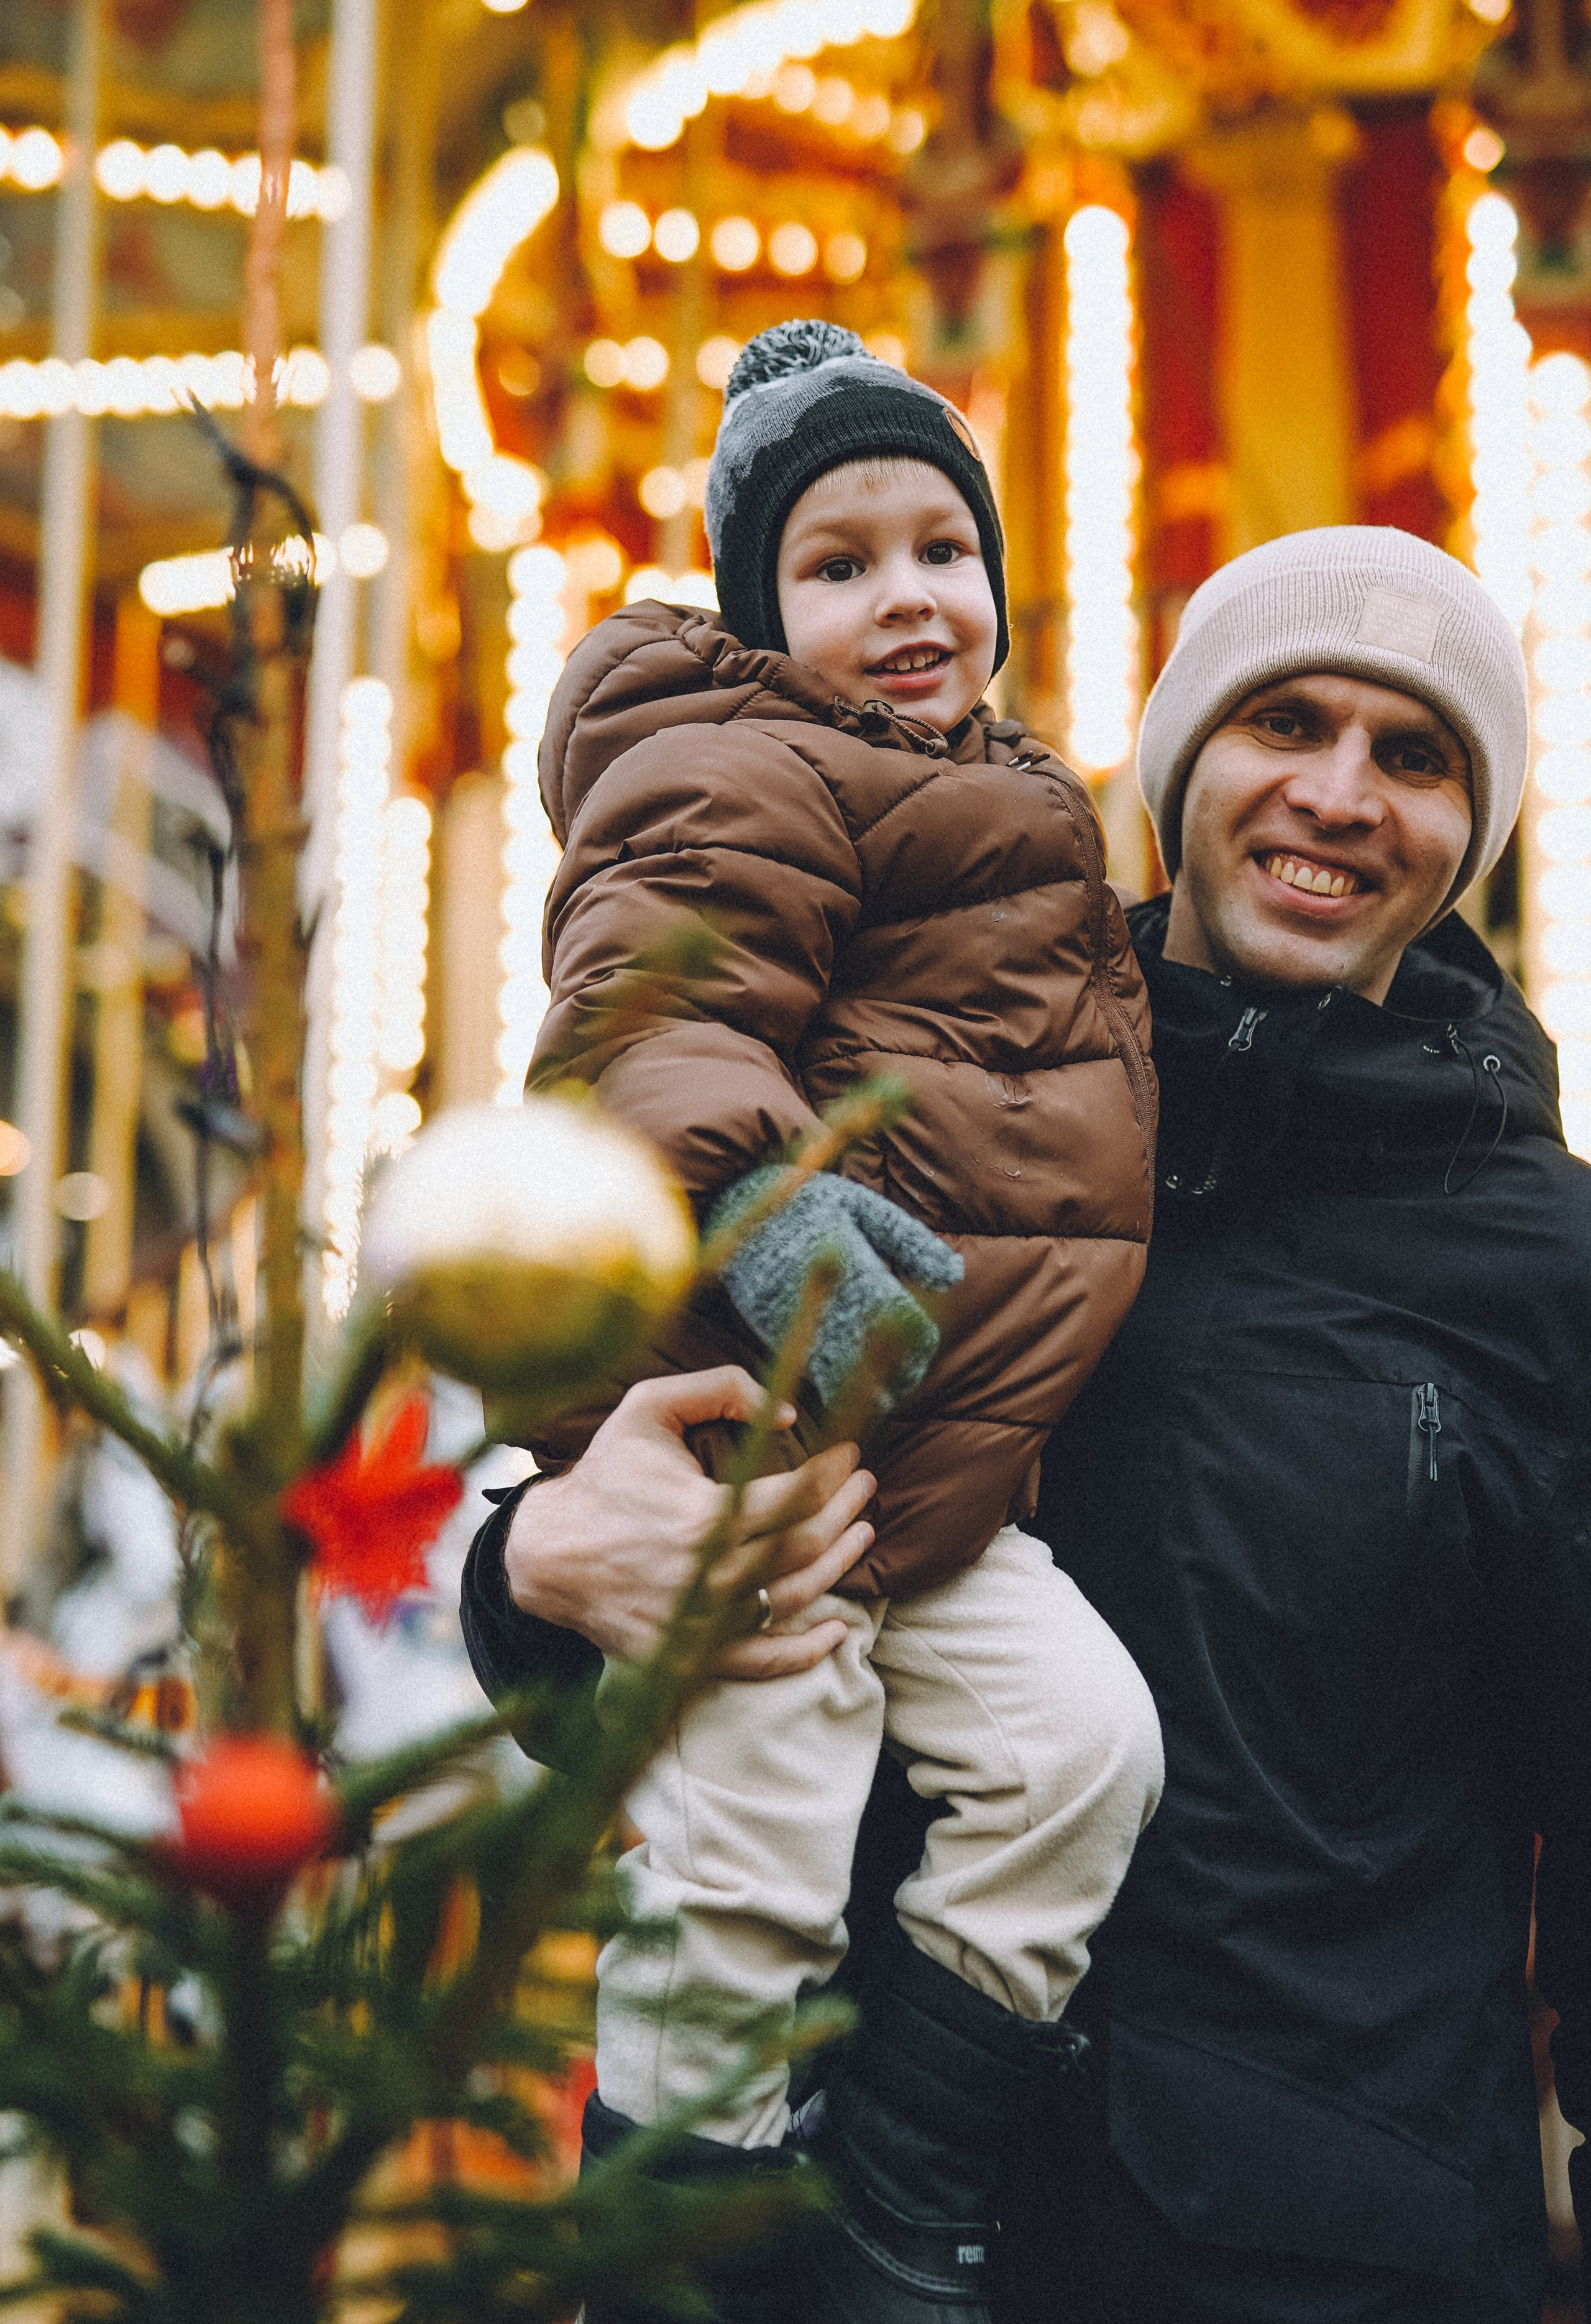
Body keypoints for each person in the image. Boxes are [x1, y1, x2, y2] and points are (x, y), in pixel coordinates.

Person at [467, 521, 1591, 2323]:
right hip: (835, 2225)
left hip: (1307, 2245)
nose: (1338, 793)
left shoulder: (1539, 1265)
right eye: (1281, 722)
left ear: (1476, 826)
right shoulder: (936, 1098)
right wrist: (529, 1562)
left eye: (1417, 755)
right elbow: (622, 1454)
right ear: (1175, 771)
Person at [512, 319, 1165, 2322]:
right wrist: (768, 1209)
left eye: (940, 551)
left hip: (924, 1471)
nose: (907, 599)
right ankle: (676, 2238)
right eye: (840, 561)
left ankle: (907, 2185)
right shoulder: (734, 762)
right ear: (754, 607)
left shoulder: (1016, 795)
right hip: (753, 1430)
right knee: (757, 1845)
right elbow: (645, 1020)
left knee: (1086, 1747)